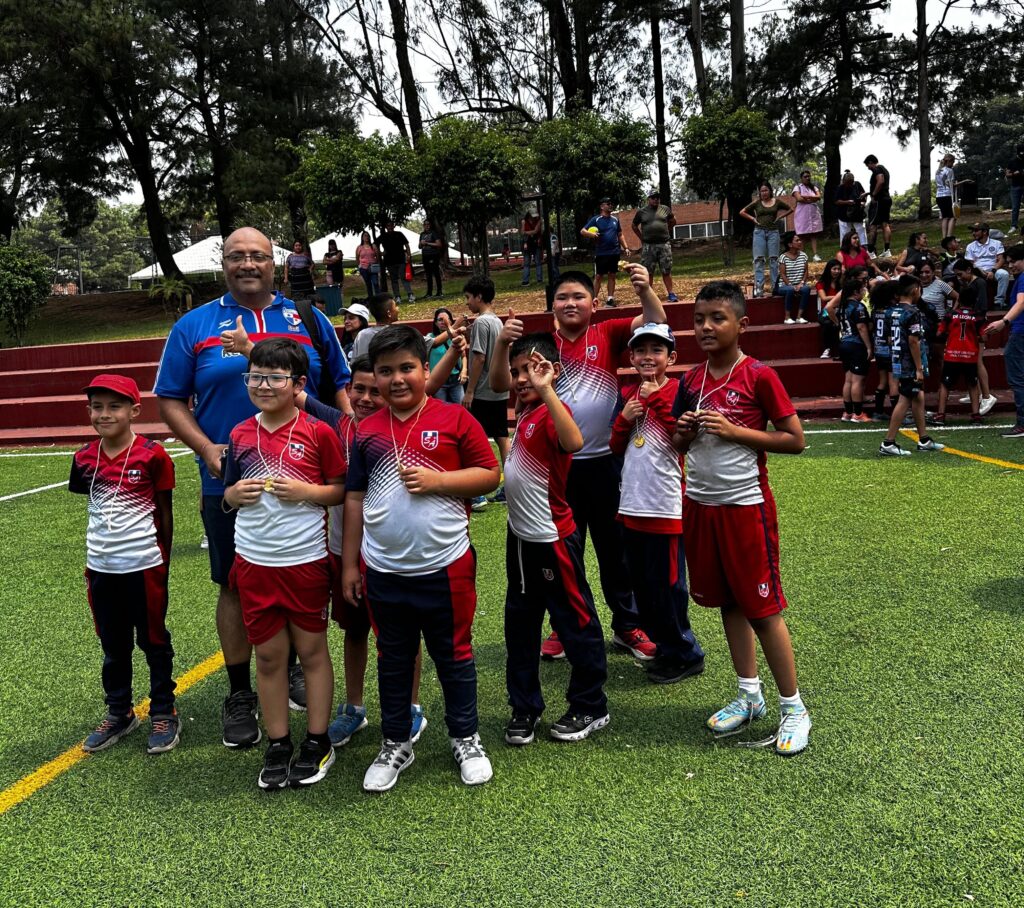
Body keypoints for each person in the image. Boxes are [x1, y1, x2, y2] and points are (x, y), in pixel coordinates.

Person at [154, 227, 351, 749]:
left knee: (306, 580)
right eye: (237, 256)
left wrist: (352, 449)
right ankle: (241, 691)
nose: (247, 264)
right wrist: (207, 449)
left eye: (257, 256)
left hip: (306, 487)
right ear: (224, 263)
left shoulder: (308, 319)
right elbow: (171, 398)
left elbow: (339, 387)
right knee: (234, 583)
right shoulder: (194, 325)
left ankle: (290, 669)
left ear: (275, 264)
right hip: (230, 484)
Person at [341, 326, 501, 791]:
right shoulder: (366, 431)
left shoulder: (454, 419)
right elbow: (353, 499)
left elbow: (490, 475)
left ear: (425, 370)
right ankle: (396, 743)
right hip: (384, 570)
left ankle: (465, 736)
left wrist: (438, 482)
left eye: (406, 368)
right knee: (393, 658)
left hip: (446, 565)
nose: (396, 379)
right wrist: (351, 564)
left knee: (454, 656)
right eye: (385, 371)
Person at [489, 267, 667, 662]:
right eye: (562, 297)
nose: (570, 303)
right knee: (565, 552)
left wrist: (645, 289)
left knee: (613, 550)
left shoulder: (607, 332)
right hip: (557, 469)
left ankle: (627, 625)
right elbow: (501, 385)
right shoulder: (540, 348)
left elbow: (657, 321)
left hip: (605, 461)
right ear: (551, 305)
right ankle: (563, 624)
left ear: (594, 302)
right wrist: (502, 344)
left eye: (578, 297)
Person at [671, 280, 810, 755]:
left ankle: (794, 708)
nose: (706, 327)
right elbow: (675, 445)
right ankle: (749, 696)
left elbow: (795, 440)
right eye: (699, 319)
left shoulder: (759, 376)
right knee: (728, 602)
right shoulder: (690, 381)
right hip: (701, 506)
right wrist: (685, 432)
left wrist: (735, 431)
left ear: (741, 324)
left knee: (763, 610)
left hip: (745, 507)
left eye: (718, 318)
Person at [222, 338, 346, 789]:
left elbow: (339, 489)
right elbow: (231, 492)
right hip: (254, 563)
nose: (263, 385)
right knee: (270, 657)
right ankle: (278, 743)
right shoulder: (239, 434)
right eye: (255, 376)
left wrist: (309, 493)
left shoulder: (319, 431)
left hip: (305, 562)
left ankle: (317, 741)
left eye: (275, 377)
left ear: (297, 384)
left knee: (311, 653)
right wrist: (232, 496)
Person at [500, 332, 610, 744]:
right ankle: (524, 707)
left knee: (575, 621)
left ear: (552, 371)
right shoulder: (525, 410)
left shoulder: (551, 410)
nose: (522, 378)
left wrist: (547, 390)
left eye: (530, 369)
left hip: (552, 539)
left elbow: (574, 442)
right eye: (517, 372)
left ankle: (590, 705)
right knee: (520, 625)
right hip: (521, 540)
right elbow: (496, 381)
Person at [71, 374, 178, 755]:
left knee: (153, 640)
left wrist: (161, 561)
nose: (104, 414)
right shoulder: (84, 458)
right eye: (96, 407)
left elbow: (164, 514)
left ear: (134, 410)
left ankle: (164, 709)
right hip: (100, 567)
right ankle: (119, 711)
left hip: (145, 565)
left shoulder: (153, 454)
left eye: (114, 406)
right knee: (113, 645)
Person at [609, 323, 705, 684]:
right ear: (631, 357)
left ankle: (686, 653)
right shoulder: (628, 394)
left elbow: (681, 438)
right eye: (640, 351)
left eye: (657, 350)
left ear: (671, 357)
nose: (648, 357)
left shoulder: (679, 392)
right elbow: (615, 446)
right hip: (632, 504)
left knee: (670, 587)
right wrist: (624, 418)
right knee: (644, 584)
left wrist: (655, 399)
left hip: (665, 507)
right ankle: (665, 648)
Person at [879, 275, 945, 457]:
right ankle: (888, 442)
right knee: (906, 398)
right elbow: (913, 341)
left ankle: (923, 439)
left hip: (898, 359)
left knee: (918, 396)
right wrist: (919, 368)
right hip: (910, 362)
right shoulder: (912, 312)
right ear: (915, 289)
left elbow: (890, 338)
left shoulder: (891, 311)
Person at [463, 276, 509, 508]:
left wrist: (469, 390)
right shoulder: (497, 321)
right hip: (498, 390)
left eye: (469, 298)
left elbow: (479, 357)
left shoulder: (482, 322)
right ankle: (511, 484)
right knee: (501, 435)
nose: (467, 303)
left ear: (479, 297)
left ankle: (477, 490)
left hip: (482, 390)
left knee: (474, 438)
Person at [985, 245, 1024, 436]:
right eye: (1008, 262)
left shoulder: (1023, 279)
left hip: (1020, 332)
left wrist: (1004, 321)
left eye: (1014, 261)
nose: (1010, 266)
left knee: (1018, 378)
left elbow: (1021, 302)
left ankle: (1022, 423)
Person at [951, 258, 998, 416]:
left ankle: (986, 396)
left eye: (960, 274)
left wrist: (974, 324)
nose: (959, 278)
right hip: (971, 324)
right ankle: (976, 393)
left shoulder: (980, 283)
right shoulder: (969, 284)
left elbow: (982, 308)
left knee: (978, 361)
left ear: (969, 270)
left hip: (976, 325)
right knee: (972, 361)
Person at [933, 298, 985, 425]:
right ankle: (976, 416)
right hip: (970, 356)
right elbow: (984, 337)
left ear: (959, 301)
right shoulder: (978, 316)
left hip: (952, 355)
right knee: (972, 385)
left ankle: (940, 415)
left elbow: (939, 333)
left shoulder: (950, 314)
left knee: (945, 384)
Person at [829, 273, 873, 423]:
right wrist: (868, 347)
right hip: (856, 344)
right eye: (862, 289)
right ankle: (858, 413)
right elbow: (861, 327)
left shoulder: (842, 306)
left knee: (848, 379)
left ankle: (847, 412)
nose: (864, 291)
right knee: (857, 380)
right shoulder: (858, 307)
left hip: (844, 343)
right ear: (856, 292)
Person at [739, 182, 793, 298]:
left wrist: (779, 217)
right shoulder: (757, 203)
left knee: (774, 260)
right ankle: (759, 289)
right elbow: (742, 212)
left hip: (773, 232)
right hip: (759, 232)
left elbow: (790, 209)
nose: (764, 193)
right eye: (762, 191)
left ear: (770, 191)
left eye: (766, 190)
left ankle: (775, 288)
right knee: (759, 260)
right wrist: (753, 218)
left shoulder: (777, 202)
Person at [581, 198, 630, 307]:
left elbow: (620, 234)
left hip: (614, 252)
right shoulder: (596, 219)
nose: (610, 205)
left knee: (612, 275)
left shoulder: (615, 220)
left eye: (611, 203)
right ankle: (593, 300)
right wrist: (593, 235)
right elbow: (583, 231)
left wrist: (625, 247)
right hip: (601, 253)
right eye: (608, 204)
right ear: (602, 206)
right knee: (598, 276)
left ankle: (610, 299)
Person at [632, 190, 679, 301]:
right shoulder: (642, 212)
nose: (656, 199)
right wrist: (641, 238)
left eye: (657, 197)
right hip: (649, 245)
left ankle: (671, 294)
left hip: (664, 244)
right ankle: (649, 295)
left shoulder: (665, 209)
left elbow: (673, 220)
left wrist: (667, 229)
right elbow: (634, 226)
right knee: (648, 272)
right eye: (653, 198)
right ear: (648, 199)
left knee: (666, 270)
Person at [869, 281, 901, 421]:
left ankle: (878, 411)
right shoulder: (891, 312)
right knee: (894, 382)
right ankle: (897, 414)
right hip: (890, 351)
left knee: (882, 381)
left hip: (879, 349)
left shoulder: (876, 311)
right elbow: (890, 337)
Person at [425, 307, 468, 404]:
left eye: (447, 319)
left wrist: (464, 370)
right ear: (435, 323)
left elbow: (463, 356)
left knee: (460, 407)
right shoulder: (430, 338)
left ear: (451, 321)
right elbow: (434, 345)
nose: (443, 322)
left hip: (456, 380)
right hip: (438, 383)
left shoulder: (457, 336)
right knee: (442, 409)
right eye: (440, 320)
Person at [966, 222, 1010, 310]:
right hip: (977, 271)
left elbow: (1001, 259)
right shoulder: (970, 246)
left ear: (985, 232)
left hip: (994, 270)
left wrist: (993, 271)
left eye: (976, 231)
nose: (973, 233)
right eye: (972, 231)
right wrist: (979, 270)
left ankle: (999, 301)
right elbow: (969, 262)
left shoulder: (997, 243)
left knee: (1004, 274)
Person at [777, 231, 813, 324]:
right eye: (797, 240)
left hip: (799, 284)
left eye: (799, 240)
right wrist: (790, 285)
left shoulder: (803, 255)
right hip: (784, 285)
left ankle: (799, 317)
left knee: (806, 289)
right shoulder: (783, 257)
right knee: (790, 290)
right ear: (790, 244)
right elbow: (782, 274)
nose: (800, 242)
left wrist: (801, 284)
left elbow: (806, 272)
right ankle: (787, 317)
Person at [351, 291, 399, 360]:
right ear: (389, 313)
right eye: (395, 306)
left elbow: (354, 361)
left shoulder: (362, 335)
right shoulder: (396, 334)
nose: (398, 309)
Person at [935, 154, 972, 238]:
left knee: (945, 217)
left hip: (939, 196)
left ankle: (944, 238)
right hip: (947, 195)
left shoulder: (938, 171)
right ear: (949, 161)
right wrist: (965, 181)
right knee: (953, 217)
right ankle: (949, 237)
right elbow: (952, 185)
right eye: (953, 162)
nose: (953, 164)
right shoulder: (949, 170)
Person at [863, 154, 892, 258]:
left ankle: (870, 251)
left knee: (873, 225)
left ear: (871, 162)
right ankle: (887, 250)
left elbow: (880, 181)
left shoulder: (877, 169)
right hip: (886, 199)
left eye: (868, 165)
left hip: (879, 201)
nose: (868, 168)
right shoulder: (885, 169)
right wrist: (868, 193)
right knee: (885, 224)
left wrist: (874, 195)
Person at [377, 221, 414, 304]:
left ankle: (410, 294)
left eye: (391, 225)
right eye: (388, 226)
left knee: (403, 278)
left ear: (393, 226)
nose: (390, 227)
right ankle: (397, 297)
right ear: (386, 227)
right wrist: (380, 253)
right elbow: (375, 244)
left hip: (400, 260)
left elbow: (407, 244)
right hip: (390, 262)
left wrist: (409, 255)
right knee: (394, 280)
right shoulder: (383, 236)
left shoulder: (399, 234)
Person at [791, 170, 824, 261]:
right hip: (802, 214)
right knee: (802, 235)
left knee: (813, 235)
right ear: (801, 178)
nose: (807, 178)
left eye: (808, 176)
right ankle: (801, 256)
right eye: (805, 176)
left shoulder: (814, 188)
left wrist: (805, 197)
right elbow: (798, 198)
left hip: (813, 214)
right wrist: (811, 199)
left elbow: (818, 197)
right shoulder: (797, 187)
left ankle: (815, 255)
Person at [815, 259, 843, 359]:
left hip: (839, 309)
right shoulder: (821, 283)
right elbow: (824, 298)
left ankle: (841, 350)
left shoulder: (842, 282)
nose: (837, 271)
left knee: (840, 322)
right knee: (828, 323)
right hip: (825, 311)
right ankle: (827, 349)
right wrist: (839, 297)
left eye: (838, 269)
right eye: (834, 269)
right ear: (829, 269)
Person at [834, 170, 867, 246]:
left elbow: (863, 196)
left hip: (857, 212)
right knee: (845, 233)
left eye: (851, 183)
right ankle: (845, 250)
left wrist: (863, 203)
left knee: (861, 230)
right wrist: (847, 202)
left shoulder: (857, 185)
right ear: (843, 181)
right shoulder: (840, 188)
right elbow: (836, 201)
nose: (849, 185)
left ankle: (864, 248)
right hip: (843, 214)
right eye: (847, 183)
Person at [419, 218, 444, 299]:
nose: (427, 226)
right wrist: (421, 244)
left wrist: (427, 243)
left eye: (428, 224)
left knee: (436, 273)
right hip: (425, 255)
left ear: (430, 225)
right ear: (423, 225)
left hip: (433, 255)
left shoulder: (434, 233)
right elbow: (419, 246)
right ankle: (429, 293)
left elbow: (439, 244)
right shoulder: (422, 234)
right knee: (428, 274)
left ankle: (439, 292)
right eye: (425, 224)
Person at [521, 209, 543, 285]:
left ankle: (539, 280)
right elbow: (522, 232)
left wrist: (527, 232)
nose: (533, 217)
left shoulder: (539, 221)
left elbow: (536, 231)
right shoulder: (524, 221)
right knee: (526, 263)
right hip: (527, 243)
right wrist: (529, 232)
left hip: (536, 243)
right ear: (529, 215)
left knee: (538, 262)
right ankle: (525, 281)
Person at [1005, 145, 1024, 235]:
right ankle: (1014, 226)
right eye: (1022, 152)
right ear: (1018, 152)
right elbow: (1007, 174)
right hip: (1015, 186)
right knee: (1015, 207)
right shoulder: (1012, 162)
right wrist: (1014, 174)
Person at [355, 231, 379, 298]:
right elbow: (357, 258)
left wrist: (376, 263)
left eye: (368, 235)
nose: (366, 237)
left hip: (373, 268)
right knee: (368, 285)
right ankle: (371, 299)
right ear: (362, 238)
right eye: (365, 236)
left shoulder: (373, 246)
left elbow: (378, 256)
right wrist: (359, 266)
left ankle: (379, 299)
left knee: (375, 283)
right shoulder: (359, 247)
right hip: (364, 268)